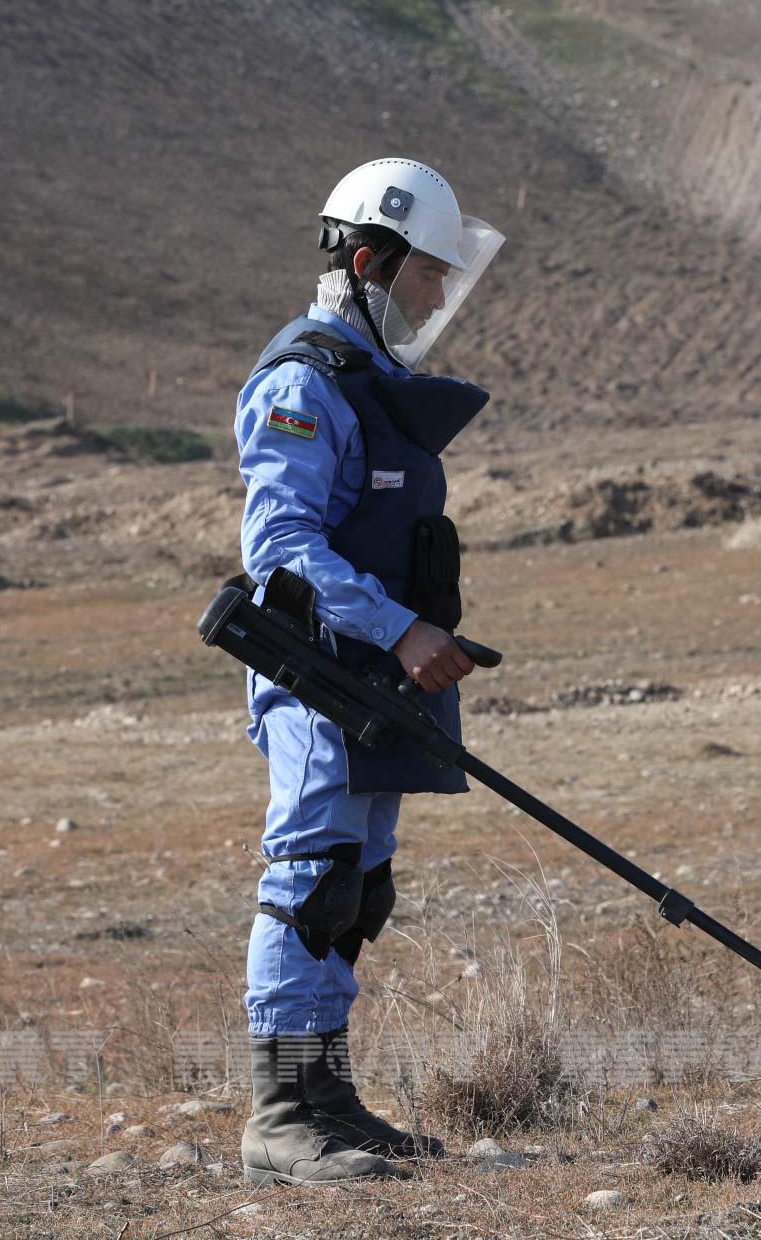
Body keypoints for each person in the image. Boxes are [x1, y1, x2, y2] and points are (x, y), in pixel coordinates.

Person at [231, 158, 505, 1185]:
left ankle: (328, 1094)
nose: (436, 296)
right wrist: (398, 629)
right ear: (365, 261)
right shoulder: (304, 380)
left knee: (361, 887)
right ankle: (280, 1112)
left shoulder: (374, 381)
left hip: (378, 680)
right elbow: (283, 544)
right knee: (313, 877)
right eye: (426, 275)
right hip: (319, 673)